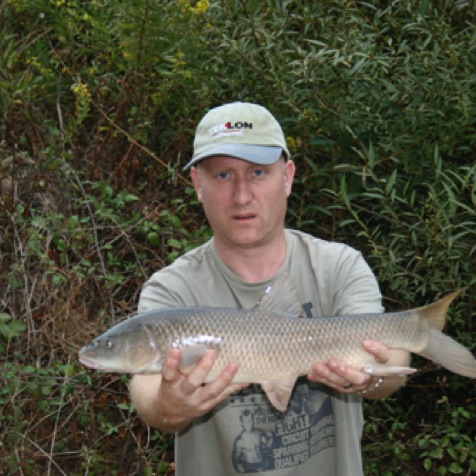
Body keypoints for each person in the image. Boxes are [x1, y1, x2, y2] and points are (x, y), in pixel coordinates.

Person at [129, 101, 409, 475]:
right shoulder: (173, 290)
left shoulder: (338, 265)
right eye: (223, 176)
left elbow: (393, 354)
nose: (241, 195)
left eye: (258, 172)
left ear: (288, 176)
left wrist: (374, 376)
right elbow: (147, 391)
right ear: (198, 184)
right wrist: (169, 404)